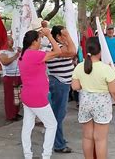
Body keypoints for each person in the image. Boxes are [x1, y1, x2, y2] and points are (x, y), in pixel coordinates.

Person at [71, 37, 115, 159]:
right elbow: (114, 91)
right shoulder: (106, 68)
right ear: (100, 51)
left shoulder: (79, 66)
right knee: (100, 139)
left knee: (87, 136)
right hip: (101, 105)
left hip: (85, 102)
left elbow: (75, 86)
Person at [18, 28, 61, 159]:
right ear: (35, 41)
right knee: (52, 125)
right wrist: (49, 35)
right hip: (37, 97)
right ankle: (46, 155)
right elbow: (58, 51)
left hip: (27, 95)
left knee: (27, 126)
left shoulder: (24, 54)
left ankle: (28, 154)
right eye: (40, 38)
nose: (41, 41)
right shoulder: (34, 54)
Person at [46, 25, 77, 153]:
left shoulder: (59, 46)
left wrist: (66, 38)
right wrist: (68, 37)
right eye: (64, 34)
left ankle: (57, 139)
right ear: (58, 36)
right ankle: (58, 144)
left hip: (63, 83)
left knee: (59, 113)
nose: (67, 36)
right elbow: (73, 52)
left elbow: (72, 50)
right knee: (58, 115)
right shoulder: (54, 48)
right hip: (59, 84)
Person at [0, 36, 22, 121]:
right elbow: (5, 62)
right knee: (10, 97)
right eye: (9, 40)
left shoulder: (14, 50)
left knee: (17, 96)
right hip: (9, 76)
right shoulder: (2, 52)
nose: (11, 42)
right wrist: (16, 56)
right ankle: (10, 115)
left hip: (18, 75)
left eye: (12, 40)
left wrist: (20, 52)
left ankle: (16, 112)